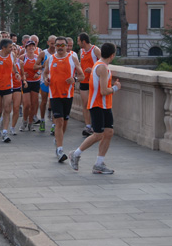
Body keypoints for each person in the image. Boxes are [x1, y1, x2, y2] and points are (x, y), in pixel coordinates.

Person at [68, 42, 120, 174]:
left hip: (105, 105)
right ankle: (75, 153)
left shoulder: (100, 66)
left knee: (109, 133)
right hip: (97, 105)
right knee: (98, 134)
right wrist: (115, 88)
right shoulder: (102, 67)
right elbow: (103, 91)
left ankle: (99, 163)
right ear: (112, 55)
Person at [42, 36, 84, 163]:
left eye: (62, 45)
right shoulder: (51, 59)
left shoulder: (72, 58)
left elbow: (82, 75)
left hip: (68, 95)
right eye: (58, 45)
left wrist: (74, 79)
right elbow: (45, 72)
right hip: (54, 95)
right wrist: (46, 79)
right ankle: (60, 150)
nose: (60, 48)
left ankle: (58, 140)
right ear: (54, 46)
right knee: (59, 121)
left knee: (65, 122)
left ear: (67, 46)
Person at [77, 32, 101, 137]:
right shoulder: (81, 51)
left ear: (83, 41)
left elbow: (103, 64)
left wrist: (92, 70)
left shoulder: (95, 50)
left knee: (94, 104)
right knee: (85, 104)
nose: (78, 43)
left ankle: (96, 125)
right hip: (83, 81)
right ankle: (88, 126)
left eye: (78, 41)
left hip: (94, 81)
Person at [34, 35, 57, 133]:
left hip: (55, 81)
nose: (53, 46)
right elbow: (35, 66)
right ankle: (42, 120)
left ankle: (53, 124)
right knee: (44, 101)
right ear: (48, 43)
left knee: (54, 102)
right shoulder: (44, 53)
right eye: (51, 44)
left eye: (54, 44)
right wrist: (42, 66)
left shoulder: (59, 53)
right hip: (44, 80)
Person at [20, 39, 40, 132]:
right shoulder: (22, 58)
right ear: (26, 48)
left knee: (33, 104)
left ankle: (30, 123)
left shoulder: (37, 57)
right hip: (26, 82)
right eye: (29, 46)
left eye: (33, 46)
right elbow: (16, 68)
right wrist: (23, 75)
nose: (31, 48)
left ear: (35, 47)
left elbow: (43, 67)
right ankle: (24, 121)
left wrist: (38, 73)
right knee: (27, 104)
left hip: (35, 82)